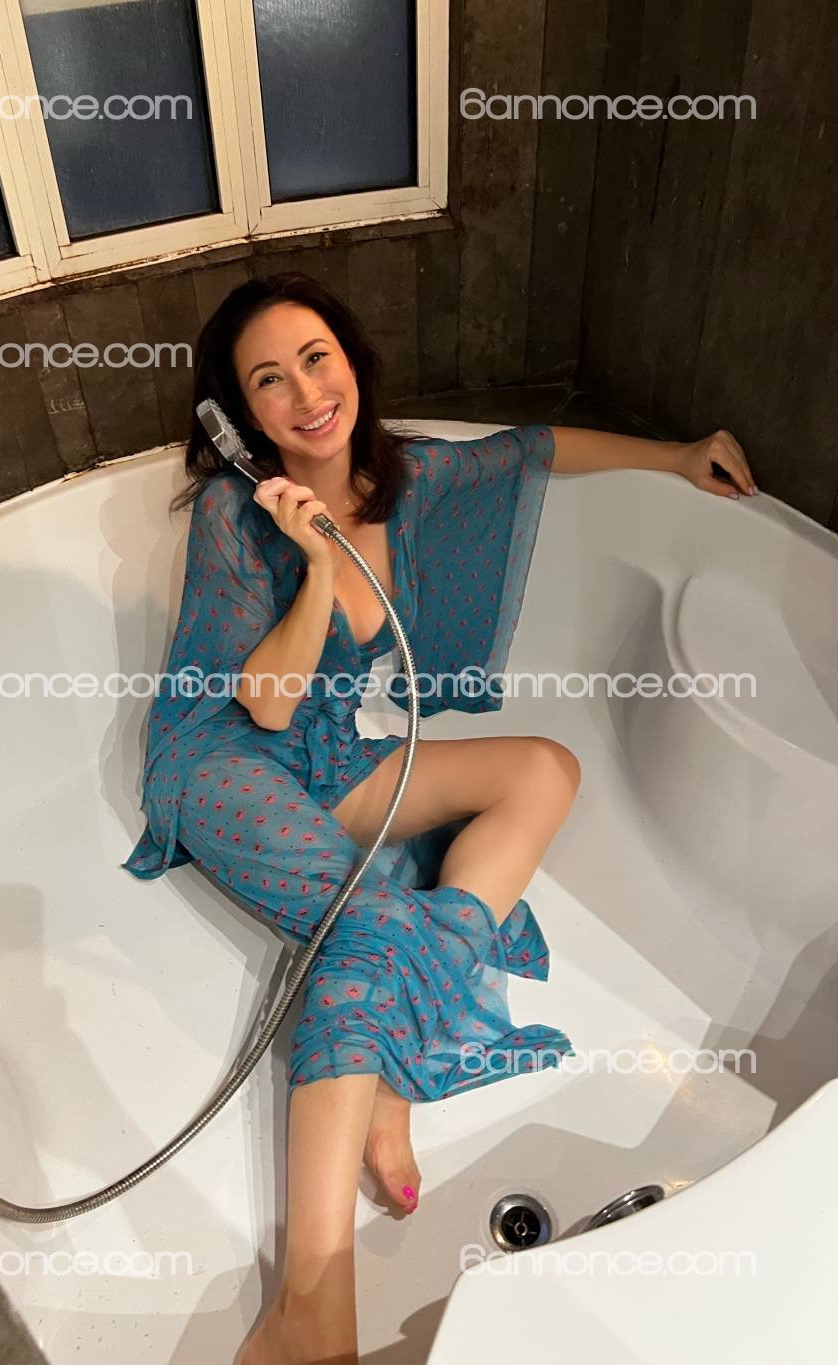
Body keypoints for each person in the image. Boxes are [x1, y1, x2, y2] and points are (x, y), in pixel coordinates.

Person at [122, 272, 756, 1364]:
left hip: (326, 752)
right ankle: (311, 1306)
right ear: (240, 416)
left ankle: (387, 1066)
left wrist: (675, 455)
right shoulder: (235, 513)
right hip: (220, 757)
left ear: (351, 360)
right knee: (370, 919)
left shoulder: (404, 476)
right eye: (267, 381)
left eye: (315, 359)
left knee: (543, 771)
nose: (305, 396)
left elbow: (532, 449)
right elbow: (261, 700)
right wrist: (313, 562)